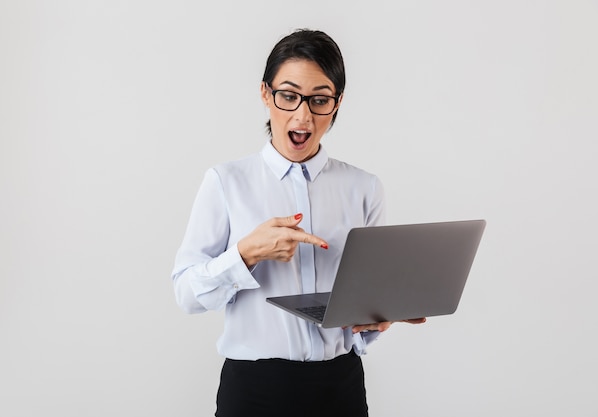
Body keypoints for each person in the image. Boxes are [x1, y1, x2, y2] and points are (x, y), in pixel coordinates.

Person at [171, 28, 426, 417]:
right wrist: (245, 254)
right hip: (254, 391)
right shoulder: (226, 182)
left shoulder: (365, 188)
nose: (302, 115)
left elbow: (366, 311)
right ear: (265, 94)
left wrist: (378, 318)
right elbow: (187, 295)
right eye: (288, 96)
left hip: (340, 387)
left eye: (319, 100)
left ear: (337, 103)